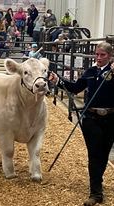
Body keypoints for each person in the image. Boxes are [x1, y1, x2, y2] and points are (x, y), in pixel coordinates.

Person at [49, 42, 114, 206]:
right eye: (97, 54)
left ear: (110, 56)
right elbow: (75, 88)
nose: (99, 58)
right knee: (94, 154)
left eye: (103, 55)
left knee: (104, 154)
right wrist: (58, 80)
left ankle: (97, 182)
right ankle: (96, 193)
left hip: (111, 118)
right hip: (91, 118)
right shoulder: (90, 72)